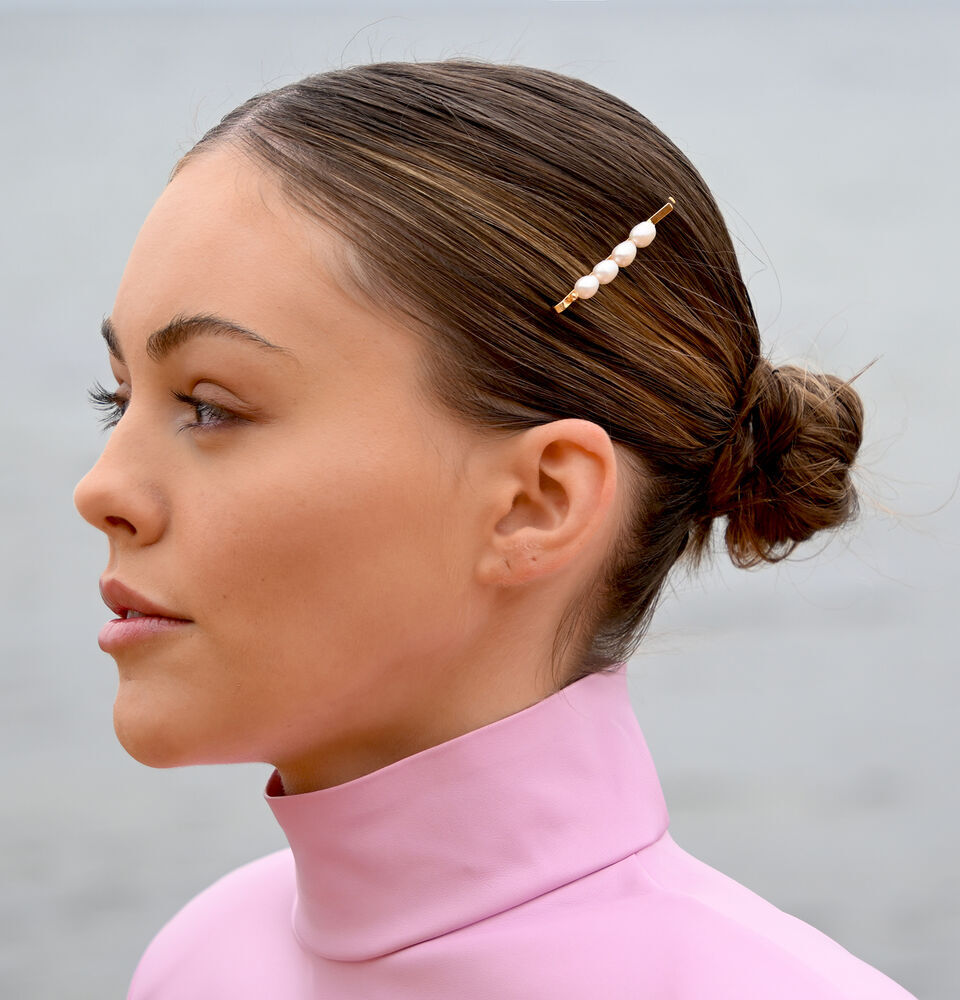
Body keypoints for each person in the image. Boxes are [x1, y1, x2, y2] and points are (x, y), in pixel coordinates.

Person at [73, 59, 917, 999]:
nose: (101, 489)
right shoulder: (199, 963)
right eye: (119, 399)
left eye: (212, 407)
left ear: (537, 502)